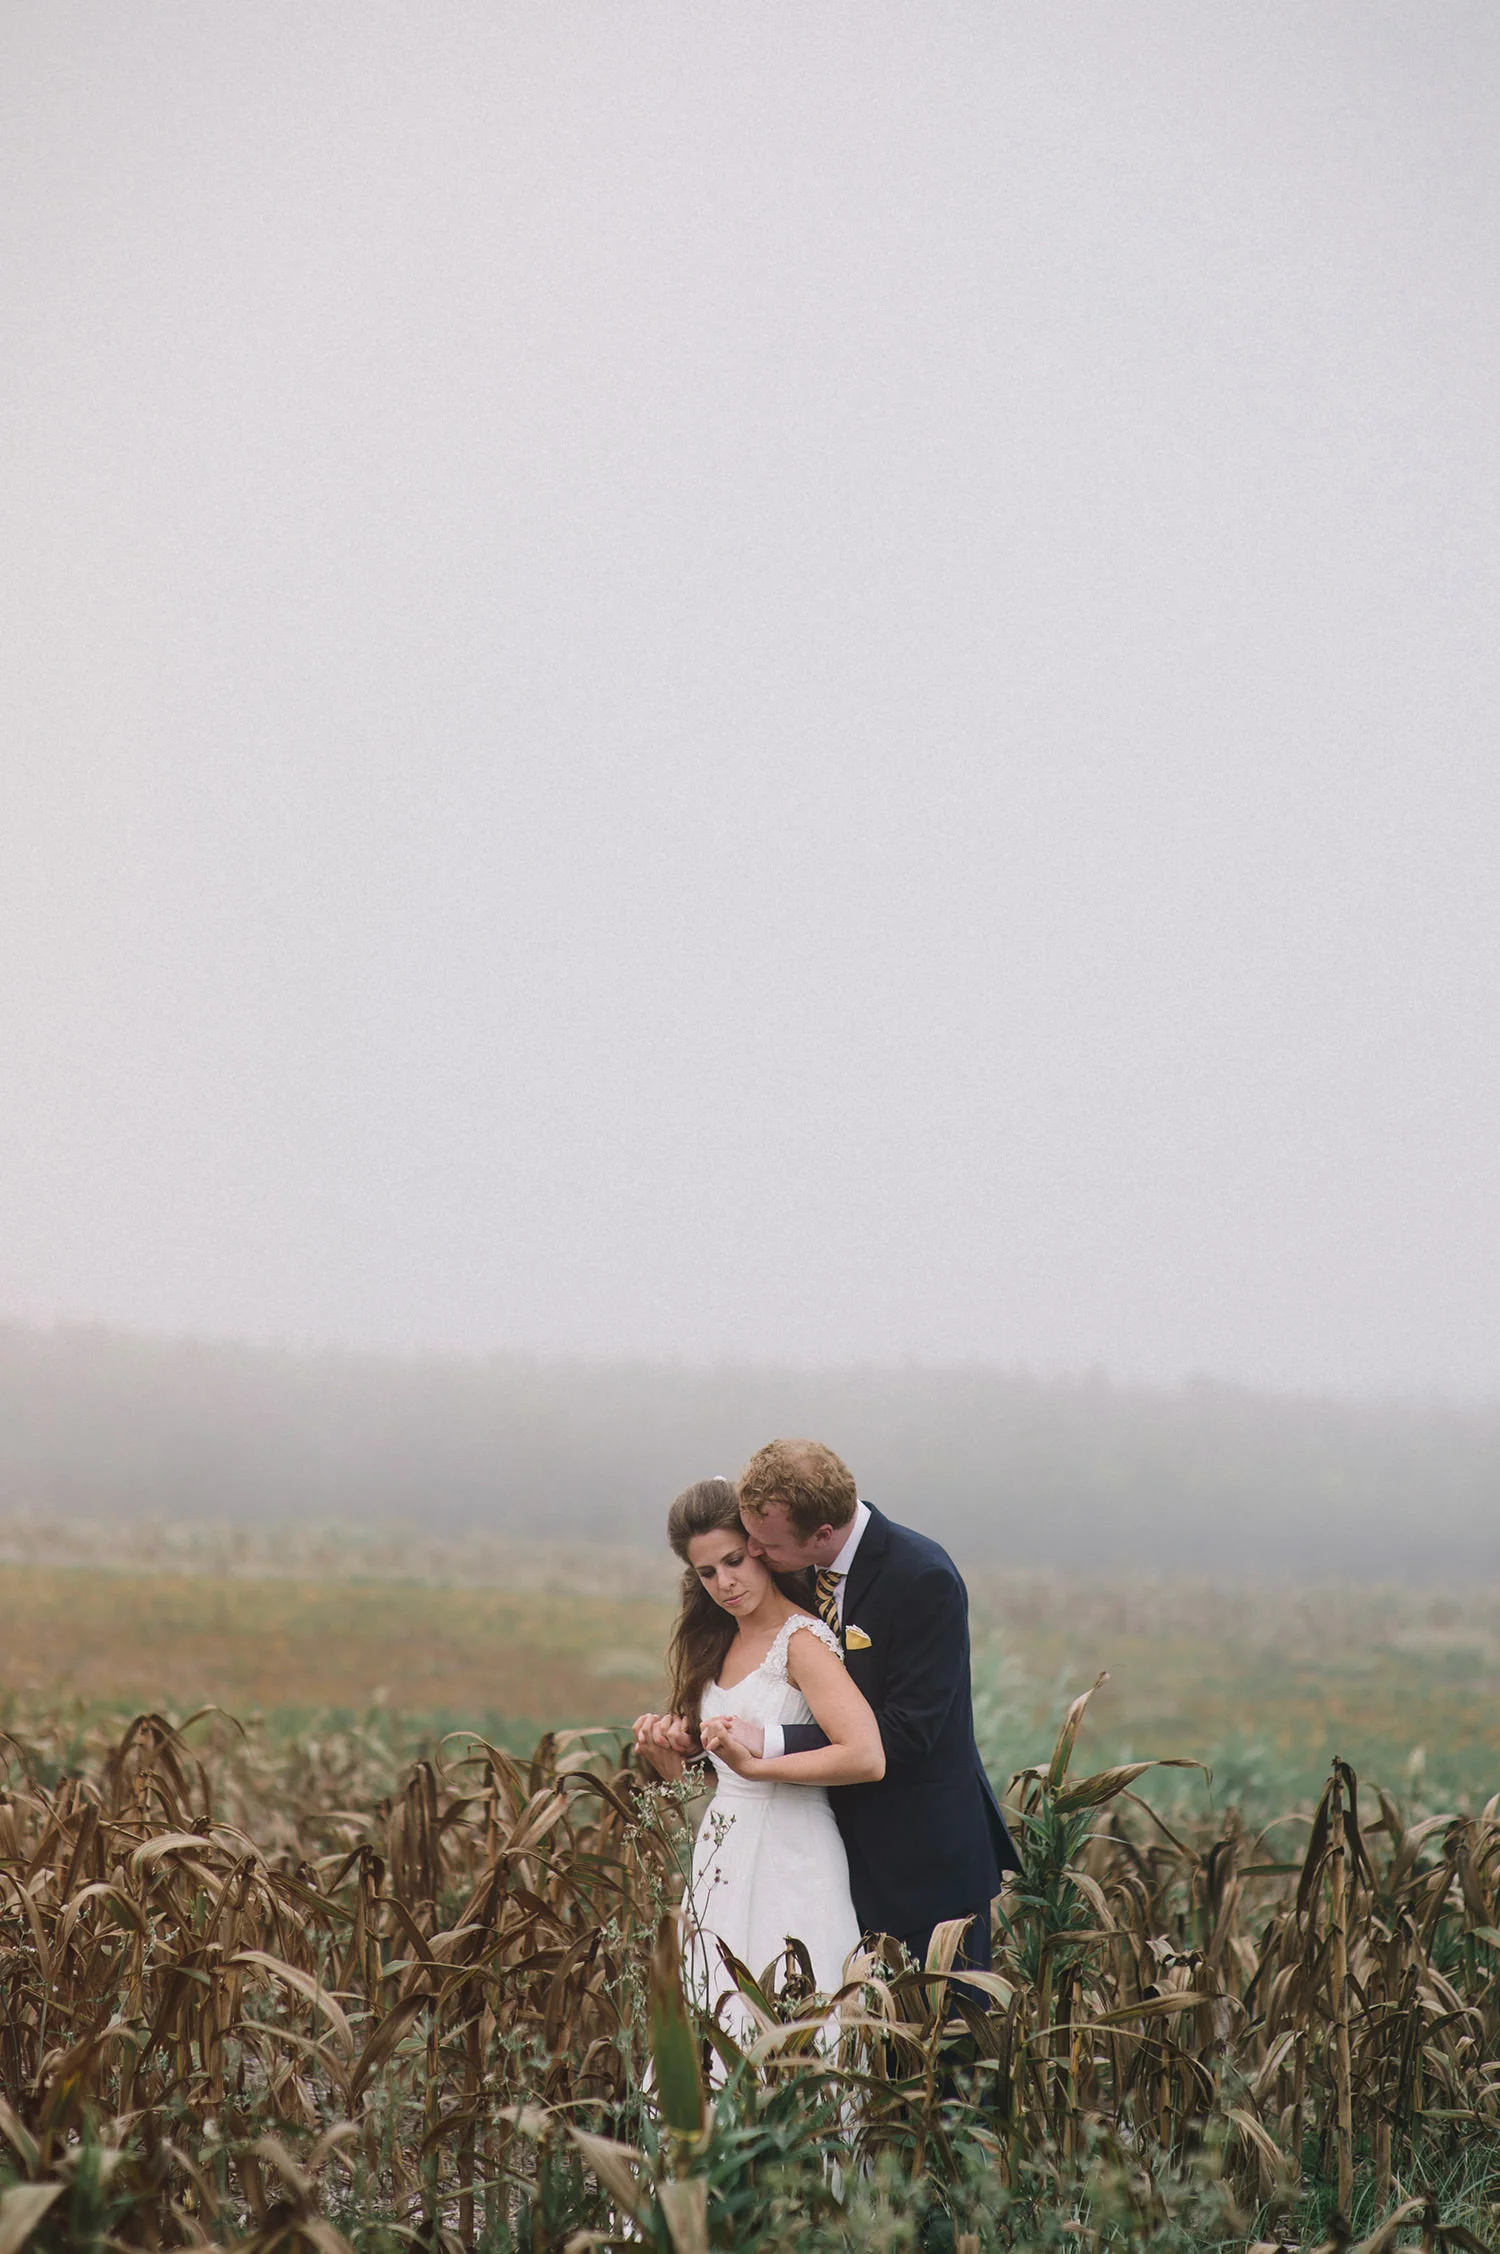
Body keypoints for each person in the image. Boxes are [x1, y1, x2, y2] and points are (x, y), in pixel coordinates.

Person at [711, 1438, 1021, 1971]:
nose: (755, 1553)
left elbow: (909, 1731)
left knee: (942, 2042)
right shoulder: (797, 1568)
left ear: (822, 1533)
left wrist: (769, 1739)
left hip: (924, 1860)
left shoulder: (924, 1578)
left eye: (767, 1545)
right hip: (827, 1855)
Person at [632, 1476, 883, 2031]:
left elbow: (866, 1756)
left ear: (761, 1551)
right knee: (714, 2017)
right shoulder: (712, 1641)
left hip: (794, 1852)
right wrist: (668, 1756)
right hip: (722, 1850)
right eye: (707, 1572)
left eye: (734, 1561)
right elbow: (704, 1786)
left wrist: (757, 1765)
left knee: (793, 2018)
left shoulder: (803, 1640)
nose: (725, 1583)